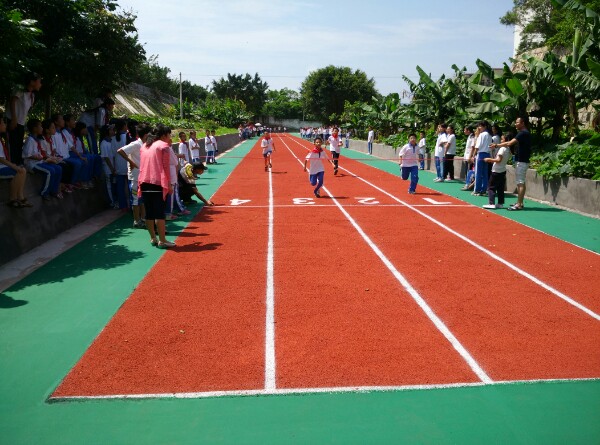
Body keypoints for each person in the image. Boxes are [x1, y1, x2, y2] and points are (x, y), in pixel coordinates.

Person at [138, 124, 176, 248]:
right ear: (164, 135)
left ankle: (153, 238)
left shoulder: (145, 145)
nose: (170, 137)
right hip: (157, 183)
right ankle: (163, 240)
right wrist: (169, 184)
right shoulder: (163, 146)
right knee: (159, 213)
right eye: (169, 134)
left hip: (144, 182)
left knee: (149, 213)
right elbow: (165, 168)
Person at [491, 116, 531, 210]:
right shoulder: (523, 133)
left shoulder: (523, 133)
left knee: (520, 182)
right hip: (521, 160)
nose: (515, 124)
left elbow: (509, 143)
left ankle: (519, 205)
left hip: (522, 161)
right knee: (520, 182)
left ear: (523, 123)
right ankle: (519, 202)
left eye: (517, 122)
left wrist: (496, 145)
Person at [118, 123, 151, 228]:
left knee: (142, 199)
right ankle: (136, 221)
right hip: (135, 177)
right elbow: (121, 151)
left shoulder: (145, 144)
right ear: (145, 135)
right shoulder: (136, 144)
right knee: (136, 199)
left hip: (143, 176)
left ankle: (143, 218)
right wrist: (131, 162)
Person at [5, 72, 42, 165]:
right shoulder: (20, 90)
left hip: (20, 123)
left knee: (18, 144)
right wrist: (14, 119)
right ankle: (11, 165)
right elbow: (13, 101)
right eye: (39, 81)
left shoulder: (32, 96)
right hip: (12, 120)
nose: (40, 84)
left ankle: (17, 164)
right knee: (11, 144)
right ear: (32, 82)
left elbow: (27, 110)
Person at [22, 119, 63, 200]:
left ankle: (54, 190)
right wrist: (38, 157)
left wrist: (49, 158)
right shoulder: (30, 140)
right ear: (34, 129)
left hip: (39, 162)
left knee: (58, 168)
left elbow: (40, 153)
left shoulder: (36, 139)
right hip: (32, 164)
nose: (42, 128)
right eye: (40, 126)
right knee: (50, 171)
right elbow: (26, 155)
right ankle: (44, 192)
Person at [0, 116, 31, 207]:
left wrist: (13, 165)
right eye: (3, 123)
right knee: (18, 171)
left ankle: (20, 197)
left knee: (22, 170)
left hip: (2, 165)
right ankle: (12, 199)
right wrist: (13, 166)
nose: (5, 125)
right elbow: (0, 158)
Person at [483, 132, 511, 209]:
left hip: (496, 171)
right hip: (502, 170)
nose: (500, 141)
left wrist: (489, 159)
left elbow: (498, 160)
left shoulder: (502, 149)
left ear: (506, 140)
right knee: (500, 188)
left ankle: (491, 203)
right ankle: (500, 203)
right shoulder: (508, 149)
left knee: (491, 187)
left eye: (502, 139)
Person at [472, 120, 492, 196]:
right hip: (487, 154)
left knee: (478, 173)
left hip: (481, 154)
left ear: (485, 126)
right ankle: (483, 190)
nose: (479, 128)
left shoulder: (482, 134)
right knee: (485, 173)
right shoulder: (490, 135)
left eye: (480, 126)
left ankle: (477, 190)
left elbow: (477, 146)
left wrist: (473, 155)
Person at [460, 126, 476, 191]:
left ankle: (468, 185)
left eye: (465, 130)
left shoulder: (473, 137)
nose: (464, 131)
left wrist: (470, 157)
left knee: (469, 171)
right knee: (467, 170)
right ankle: (467, 184)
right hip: (467, 156)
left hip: (470, 156)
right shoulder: (469, 136)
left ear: (468, 130)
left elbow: (472, 148)